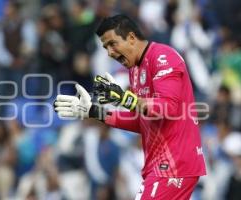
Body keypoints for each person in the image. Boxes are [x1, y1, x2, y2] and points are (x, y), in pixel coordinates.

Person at [54, 14, 206, 200]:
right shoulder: (134, 70)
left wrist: (127, 100)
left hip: (174, 164)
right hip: (159, 166)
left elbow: (168, 108)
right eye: (105, 47)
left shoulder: (163, 57)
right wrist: (94, 112)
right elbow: (143, 122)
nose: (109, 52)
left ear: (132, 38)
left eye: (112, 44)